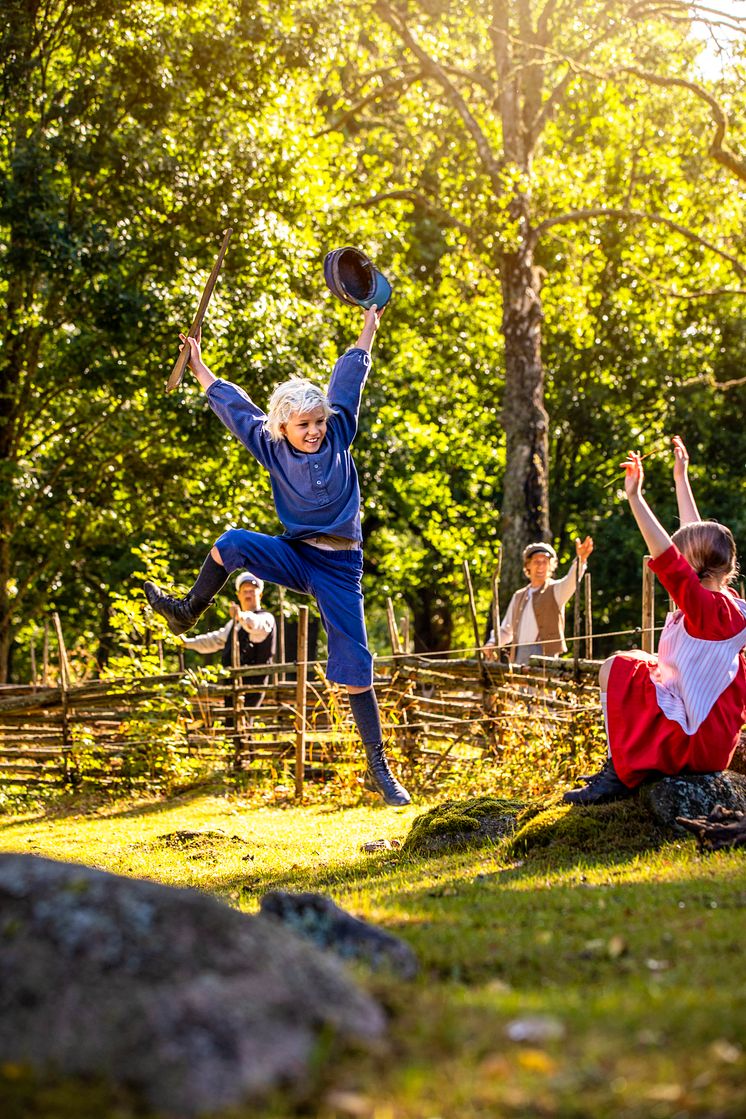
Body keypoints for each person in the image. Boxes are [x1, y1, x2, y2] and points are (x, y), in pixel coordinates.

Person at [143, 305, 411, 807]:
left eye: (317, 422)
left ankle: (382, 771)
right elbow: (236, 408)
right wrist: (199, 367)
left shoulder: (340, 431)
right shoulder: (270, 448)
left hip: (338, 565)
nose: (313, 431)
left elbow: (350, 371)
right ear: (283, 427)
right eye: (303, 424)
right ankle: (185, 611)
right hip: (292, 554)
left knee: (355, 660)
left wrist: (370, 321)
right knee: (230, 544)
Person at [564, 436, 746, 805]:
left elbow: (667, 554)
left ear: (692, 567)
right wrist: (681, 478)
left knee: (615, 666)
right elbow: (696, 540)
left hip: (693, 738)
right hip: (711, 737)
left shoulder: (707, 611)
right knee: (641, 663)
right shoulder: (728, 605)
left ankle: (618, 771)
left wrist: (635, 497)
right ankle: (625, 764)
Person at [483, 537, 594, 666]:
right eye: (536, 562)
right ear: (528, 565)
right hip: (520, 654)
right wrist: (492, 643)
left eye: (545, 562)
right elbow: (506, 630)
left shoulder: (556, 590)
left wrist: (580, 561)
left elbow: (571, 581)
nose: (541, 566)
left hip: (546, 655)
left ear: (550, 565)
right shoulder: (518, 596)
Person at [179, 571, 275, 710]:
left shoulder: (266, 618)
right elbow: (214, 640)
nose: (248, 595)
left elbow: (255, 624)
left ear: (260, 594)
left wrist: (241, 617)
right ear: (238, 595)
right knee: (231, 721)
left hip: (253, 684)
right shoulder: (233, 625)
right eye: (245, 591)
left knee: (246, 720)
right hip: (232, 683)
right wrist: (187, 643)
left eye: (252, 591)